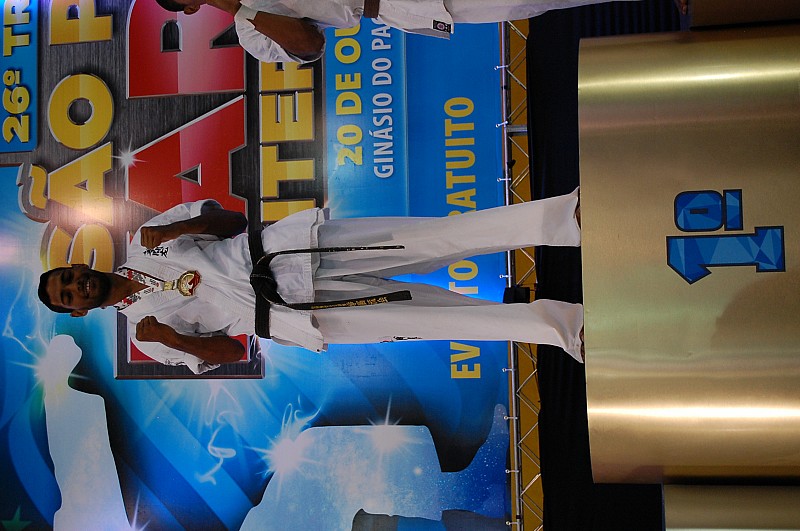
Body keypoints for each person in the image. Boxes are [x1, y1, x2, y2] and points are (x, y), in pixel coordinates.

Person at [38, 190, 583, 374]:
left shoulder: (147, 240)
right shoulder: (148, 336)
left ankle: (562, 219)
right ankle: (564, 328)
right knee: (435, 317)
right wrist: (172, 338)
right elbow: (231, 351)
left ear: (79, 265)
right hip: (291, 315)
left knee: (433, 238)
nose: (75, 286)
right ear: (77, 312)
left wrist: (180, 227)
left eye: (68, 277)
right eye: (67, 297)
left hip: (287, 251)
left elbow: (232, 221)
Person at [153, 0, 648, 64]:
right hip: (397, 5)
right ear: (191, 8)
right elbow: (309, 44)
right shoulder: (249, 31)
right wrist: (240, 6)